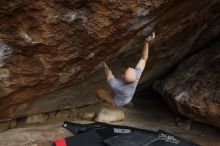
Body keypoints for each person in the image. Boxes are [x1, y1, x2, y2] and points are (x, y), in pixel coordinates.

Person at [97, 32, 155, 106]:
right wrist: (146, 41)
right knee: (115, 92)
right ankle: (115, 95)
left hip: (117, 101)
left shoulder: (114, 84)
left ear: (122, 76)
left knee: (99, 91)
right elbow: (144, 58)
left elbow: (109, 72)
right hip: (127, 97)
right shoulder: (136, 76)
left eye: (128, 69)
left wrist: (104, 64)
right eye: (131, 68)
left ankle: (106, 101)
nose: (130, 67)